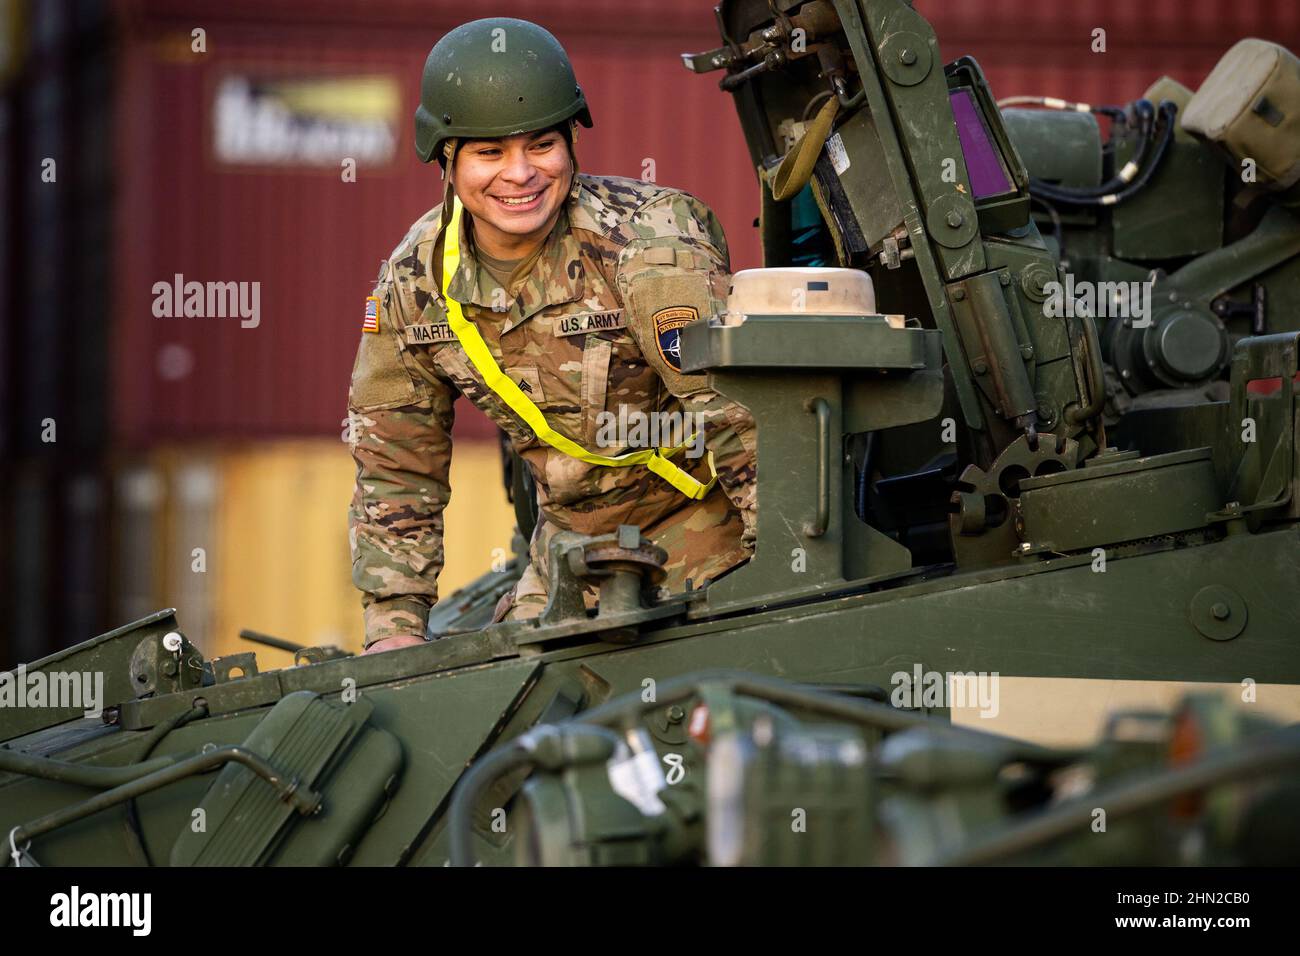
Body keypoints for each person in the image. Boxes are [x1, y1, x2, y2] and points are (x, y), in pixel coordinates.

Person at [349, 17, 756, 653]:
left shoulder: (648, 244)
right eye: (489, 153)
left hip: (710, 535)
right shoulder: (416, 281)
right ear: (447, 162)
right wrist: (393, 627)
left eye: (541, 145)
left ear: (571, 142)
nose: (520, 174)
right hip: (571, 558)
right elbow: (397, 462)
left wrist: (790, 572)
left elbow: (738, 413)